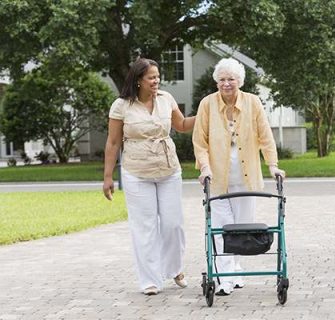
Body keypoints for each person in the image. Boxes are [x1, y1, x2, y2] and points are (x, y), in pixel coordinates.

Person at [192, 58, 285, 296]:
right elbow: (199, 141)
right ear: (216, 82)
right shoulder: (207, 104)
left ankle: (236, 269)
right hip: (217, 177)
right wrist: (204, 167)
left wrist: (273, 166)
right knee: (222, 228)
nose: (226, 84)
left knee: (241, 229)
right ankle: (225, 279)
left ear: (239, 81)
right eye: (222, 79)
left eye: (231, 79)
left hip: (246, 178)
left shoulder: (253, 102)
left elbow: (265, 136)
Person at [103, 58, 195, 296]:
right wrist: (107, 177)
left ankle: (175, 269)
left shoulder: (166, 99)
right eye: (151, 77)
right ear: (138, 80)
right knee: (145, 228)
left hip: (168, 168)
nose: (156, 81)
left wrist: (206, 113)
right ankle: (150, 280)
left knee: (173, 224)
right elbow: (113, 143)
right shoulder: (121, 105)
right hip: (136, 171)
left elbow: (182, 125)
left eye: (157, 76)